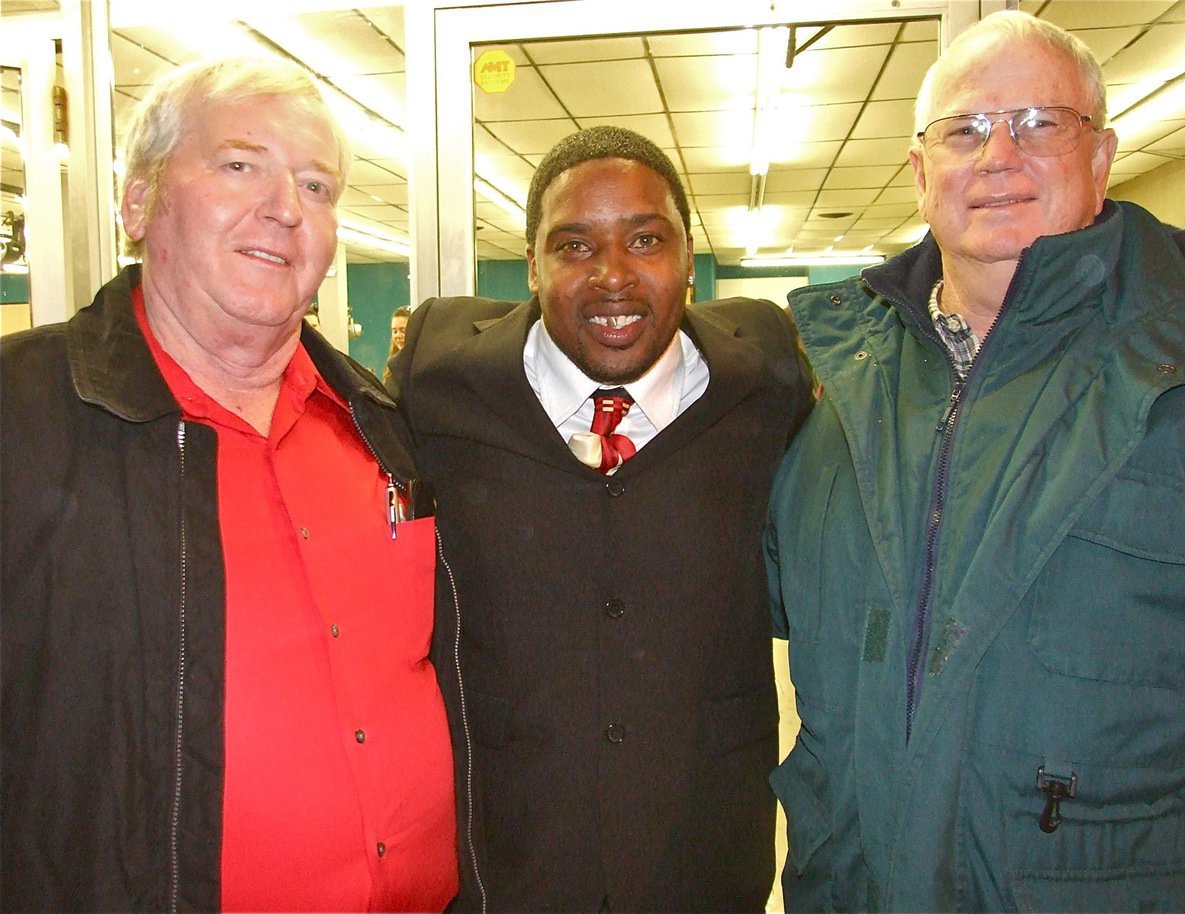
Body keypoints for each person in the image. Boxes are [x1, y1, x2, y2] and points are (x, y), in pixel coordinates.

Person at [765, 10, 1185, 912]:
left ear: (1103, 154)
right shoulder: (834, 387)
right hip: (851, 885)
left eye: (1040, 123)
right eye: (963, 130)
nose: (999, 155)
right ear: (922, 175)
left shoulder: (1179, 365)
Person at [0, 57, 456, 912]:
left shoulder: (378, 423)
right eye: (240, 164)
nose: (286, 207)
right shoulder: (21, 418)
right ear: (138, 203)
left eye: (317, 186)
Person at [389, 125, 814, 911]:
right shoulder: (438, 382)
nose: (613, 276)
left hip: (703, 864)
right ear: (533, 267)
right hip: (501, 867)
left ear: (689, 257)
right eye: (575, 246)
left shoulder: (767, 377)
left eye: (646, 239)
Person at [382, 305, 410, 388]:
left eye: (403, 331)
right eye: (395, 331)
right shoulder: (392, 365)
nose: (398, 335)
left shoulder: (419, 365)